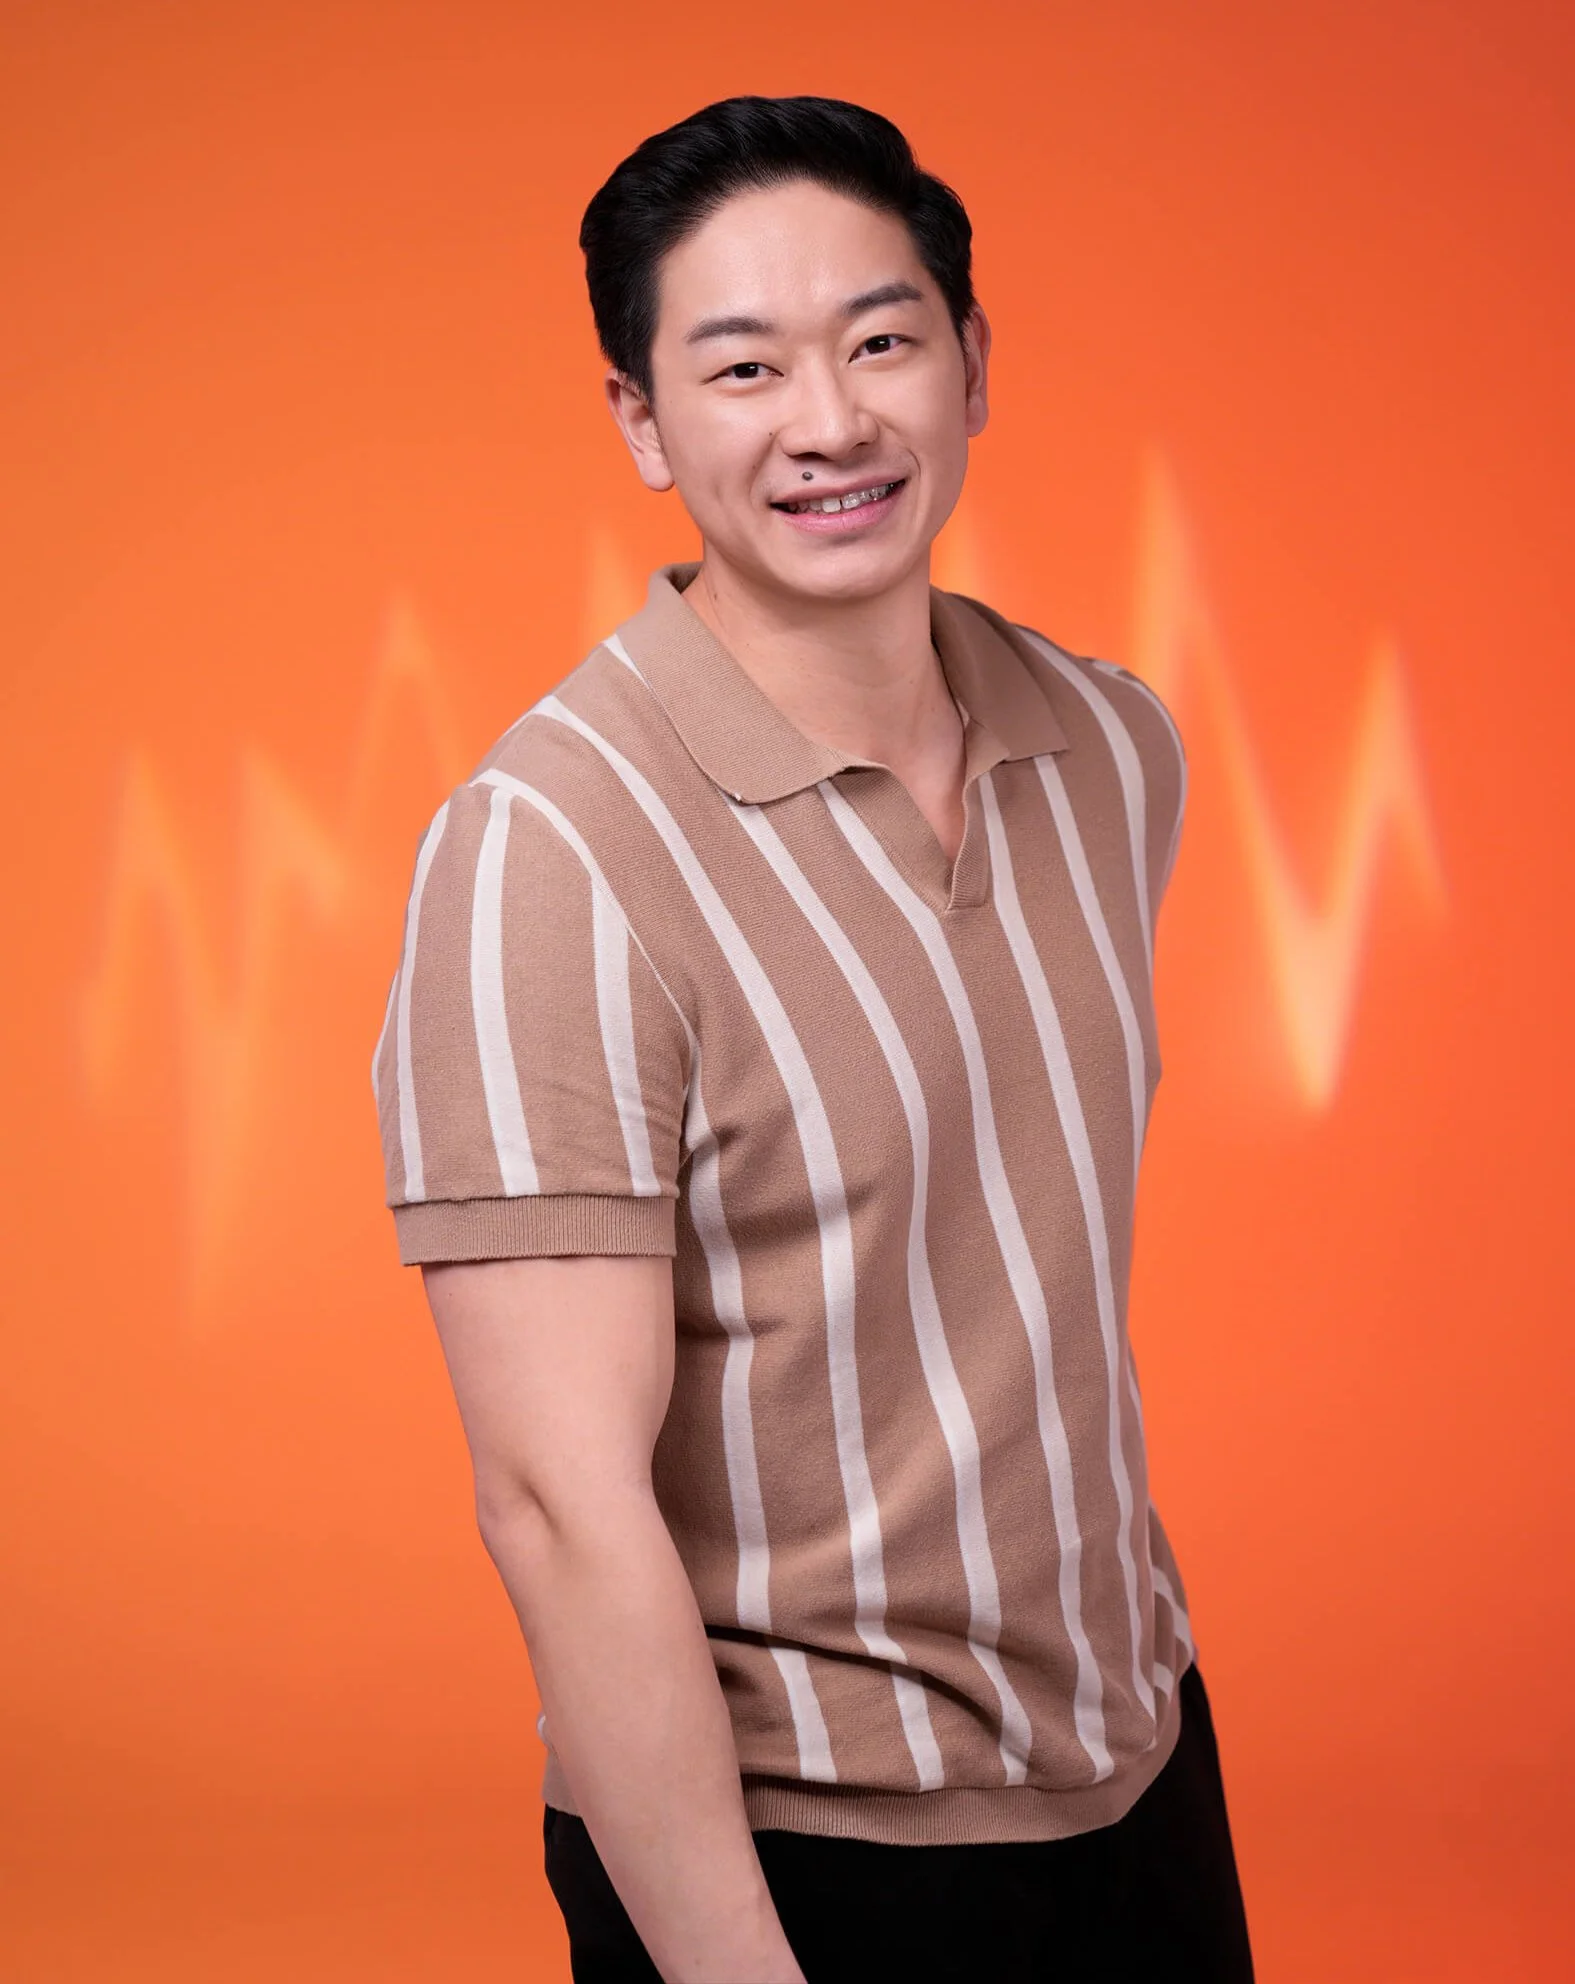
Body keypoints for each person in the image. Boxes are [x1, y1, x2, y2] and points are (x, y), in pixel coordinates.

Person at [373, 94, 1254, 1983]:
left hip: (1136, 1759)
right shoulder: (552, 850)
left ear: (969, 363)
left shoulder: (1108, 750)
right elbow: (550, 1500)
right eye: (743, 365)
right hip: (799, 1840)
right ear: (640, 422)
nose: (831, 420)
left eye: (879, 340)